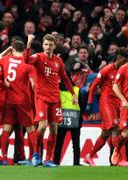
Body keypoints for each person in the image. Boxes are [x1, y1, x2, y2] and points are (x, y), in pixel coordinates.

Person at [26, 34, 78, 167]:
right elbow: (26, 60)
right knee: (42, 127)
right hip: (42, 97)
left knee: (54, 130)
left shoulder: (58, 61)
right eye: (46, 44)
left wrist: (73, 93)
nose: (48, 47)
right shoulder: (38, 57)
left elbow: (65, 78)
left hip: (55, 98)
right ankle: (35, 154)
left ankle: (48, 159)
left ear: (54, 46)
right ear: (43, 45)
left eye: (51, 45)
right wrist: (29, 43)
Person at [83, 47, 128, 166]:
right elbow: (94, 85)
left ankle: (89, 156)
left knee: (105, 134)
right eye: (125, 61)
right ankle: (118, 158)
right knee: (115, 128)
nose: (126, 64)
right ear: (119, 58)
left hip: (117, 103)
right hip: (106, 102)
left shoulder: (124, 71)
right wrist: (89, 103)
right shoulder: (107, 69)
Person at [0, 40, 39, 166]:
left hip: (9, 100)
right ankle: (35, 155)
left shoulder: (6, 59)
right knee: (30, 128)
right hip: (23, 101)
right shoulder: (27, 63)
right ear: (24, 50)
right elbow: (33, 84)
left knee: (6, 129)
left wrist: (8, 50)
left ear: (12, 50)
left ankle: (3, 158)